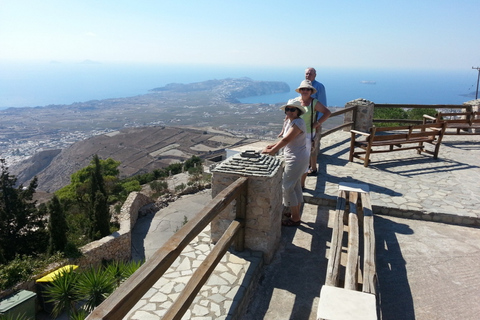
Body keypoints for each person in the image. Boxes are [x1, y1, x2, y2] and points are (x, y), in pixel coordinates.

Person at [262, 100, 309, 226]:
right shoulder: (290, 121)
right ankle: (296, 212)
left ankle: (295, 218)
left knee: (287, 187)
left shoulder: (298, 122)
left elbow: (287, 139)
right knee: (296, 186)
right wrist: (273, 146)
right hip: (297, 157)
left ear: (298, 111)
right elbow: (286, 139)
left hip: (296, 158)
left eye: (292, 109)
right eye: (287, 109)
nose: (289, 111)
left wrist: (272, 151)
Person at [294, 79, 331, 188]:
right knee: (295, 160)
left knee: (304, 161)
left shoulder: (314, 102)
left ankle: (301, 185)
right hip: (295, 135)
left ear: (311, 91)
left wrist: (317, 123)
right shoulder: (296, 101)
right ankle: (296, 183)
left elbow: (327, 112)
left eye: (307, 89)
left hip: (308, 135)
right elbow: (288, 116)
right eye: (303, 89)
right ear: (300, 90)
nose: (305, 91)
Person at [305, 67, 329, 177]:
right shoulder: (305, 85)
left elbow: (323, 104)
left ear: (315, 75)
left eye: (310, 73)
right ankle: (308, 166)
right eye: (306, 73)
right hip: (306, 120)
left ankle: (313, 168)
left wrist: (317, 123)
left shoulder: (319, 86)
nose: (308, 75)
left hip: (314, 120)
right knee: (306, 144)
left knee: (313, 144)